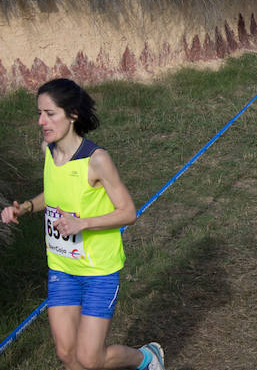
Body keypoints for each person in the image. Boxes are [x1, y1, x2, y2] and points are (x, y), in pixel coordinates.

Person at [1, 79, 166, 370]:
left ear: (73, 114)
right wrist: (26, 207)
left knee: (90, 359)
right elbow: (54, 195)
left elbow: (128, 212)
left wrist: (84, 223)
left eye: (50, 113)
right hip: (62, 267)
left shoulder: (97, 160)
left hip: (98, 271)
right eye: (39, 113)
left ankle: (147, 358)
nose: (41, 121)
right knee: (67, 355)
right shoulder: (49, 150)